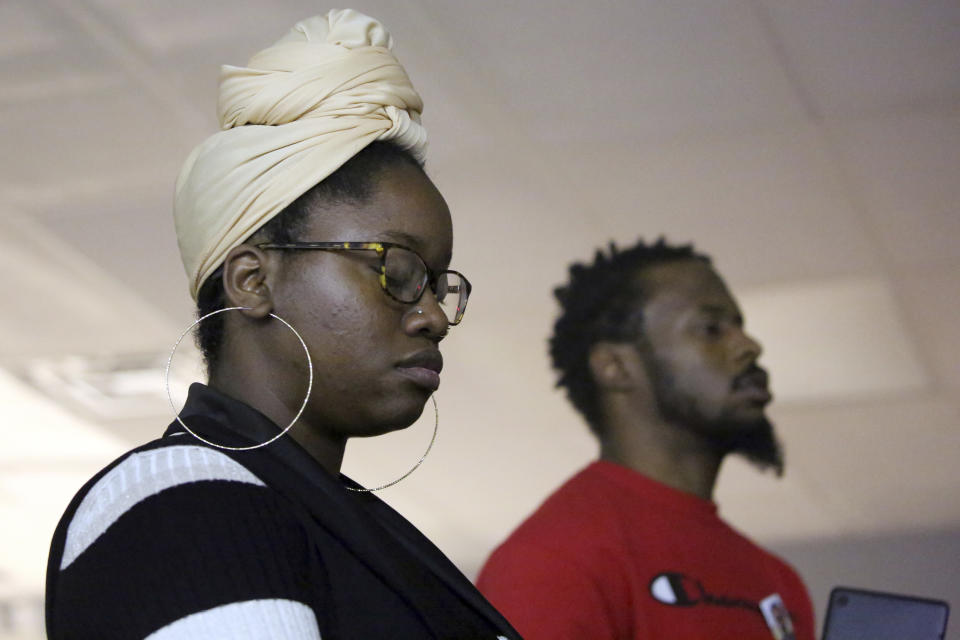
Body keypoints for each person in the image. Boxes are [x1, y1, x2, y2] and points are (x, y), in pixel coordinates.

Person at [45, 10, 519, 639]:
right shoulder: (186, 498)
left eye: (438, 283)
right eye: (397, 268)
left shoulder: (338, 522)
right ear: (253, 281)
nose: (433, 315)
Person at [477, 239, 815, 639]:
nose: (749, 346)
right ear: (615, 366)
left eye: (740, 326)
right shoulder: (553, 561)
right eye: (711, 328)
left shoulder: (778, 582)